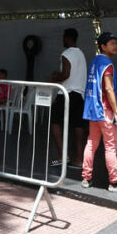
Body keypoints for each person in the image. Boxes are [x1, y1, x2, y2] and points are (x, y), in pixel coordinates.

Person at [81, 32, 117, 193]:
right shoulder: (107, 64)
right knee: (111, 147)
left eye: (115, 43)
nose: (115, 46)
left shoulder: (95, 62)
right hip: (105, 111)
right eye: (111, 43)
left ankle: (86, 178)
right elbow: (109, 89)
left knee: (91, 143)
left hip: (93, 110)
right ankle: (115, 182)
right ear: (103, 47)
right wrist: (116, 112)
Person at [48, 28, 88, 169]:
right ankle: (79, 159)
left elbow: (66, 74)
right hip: (79, 94)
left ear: (66, 38)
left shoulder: (66, 53)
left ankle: (62, 156)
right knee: (78, 125)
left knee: (54, 121)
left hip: (66, 93)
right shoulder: (81, 54)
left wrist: (54, 77)